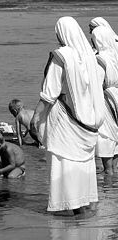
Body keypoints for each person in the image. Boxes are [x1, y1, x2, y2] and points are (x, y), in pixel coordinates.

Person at [30, 16, 105, 215]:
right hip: (86, 119)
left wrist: (36, 118)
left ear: (60, 33)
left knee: (62, 160)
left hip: (65, 119)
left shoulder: (61, 56)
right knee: (82, 163)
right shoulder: (88, 56)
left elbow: (49, 93)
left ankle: (67, 206)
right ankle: (84, 204)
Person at [91, 26, 118, 175]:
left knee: (105, 135)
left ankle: (108, 191)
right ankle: (114, 183)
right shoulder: (115, 55)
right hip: (116, 95)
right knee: (115, 137)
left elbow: (97, 82)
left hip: (105, 98)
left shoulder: (100, 59)